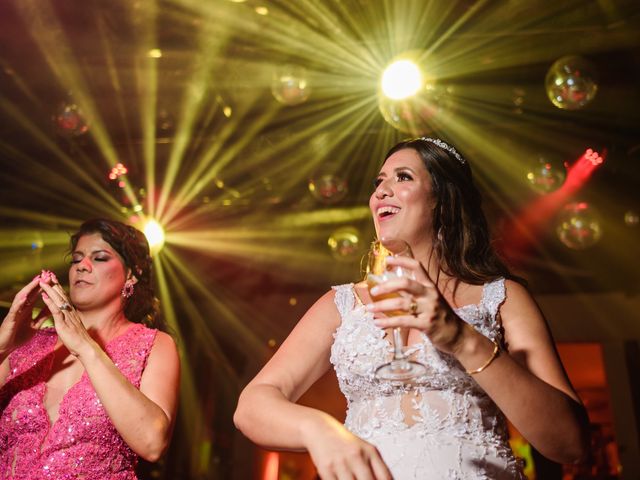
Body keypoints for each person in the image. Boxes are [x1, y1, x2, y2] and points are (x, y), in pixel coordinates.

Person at [234, 137, 590, 479]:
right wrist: (319, 430)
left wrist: (462, 339)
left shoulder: (502, 299)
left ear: (443, 200)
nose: (380, 192)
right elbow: (251, 406)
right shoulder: (343, 305)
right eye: (379, 182)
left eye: (402, 177)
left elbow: (570, 445)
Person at [0, 218, 180, 479]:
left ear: (131, 273)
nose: (82, 267)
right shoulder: (28, 342)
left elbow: (152, 443)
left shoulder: (153, 344)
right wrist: (3, 345)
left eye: (99, 258)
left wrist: (86, 347)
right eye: (76, 259)